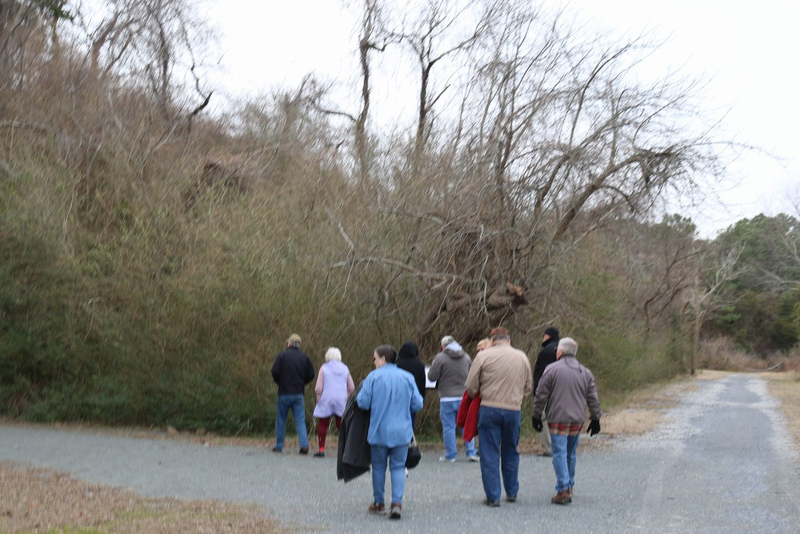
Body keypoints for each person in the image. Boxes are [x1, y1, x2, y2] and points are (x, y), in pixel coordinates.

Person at [465, 327, 532, 506]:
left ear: (492, 340)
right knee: (511, 450)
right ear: (509, 340)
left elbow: (471, 386)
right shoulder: (522, 357)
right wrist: (516, 397)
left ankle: (493, 496)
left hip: (489, 408)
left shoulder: (483, 356)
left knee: (489, 452)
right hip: (513, 409)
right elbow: (528, 387)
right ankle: (512, 491)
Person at [531, 337, 602, 505]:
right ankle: (569, 485)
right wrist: (595, 418)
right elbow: (593, 398)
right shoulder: (585, 372)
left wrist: (536, 414)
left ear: (561, 351)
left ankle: (562, 489)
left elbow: (541, 394)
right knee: (570, 453)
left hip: (558, 418)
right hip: (577, 419)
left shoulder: (552, 369)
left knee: (559, 453)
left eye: (557, 350)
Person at [356, 345, 423, 520]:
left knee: (378, 466)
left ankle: (379, 503)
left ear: (383, 359)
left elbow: (362, 402)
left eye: (375, 358)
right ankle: (397, 503)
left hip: (379, 430)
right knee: (398, 467)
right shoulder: (407, 377)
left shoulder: (373, 377)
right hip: (402, 431)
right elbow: (418, 404)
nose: (374, 361)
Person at [427, 335, 478, 462]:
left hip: (446, 397)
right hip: (464, 397)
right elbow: (472, 375)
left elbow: (432, 377)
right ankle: (471, 451)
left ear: (443, 346)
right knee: (466, 425)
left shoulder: (440, 358)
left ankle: (451, 454)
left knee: (449, 426)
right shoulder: (466, 357)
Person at [271, 333, 315, 454]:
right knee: (300, 420)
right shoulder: (305, 357)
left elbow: (274, 371)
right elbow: (311, 374)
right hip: (298, 393)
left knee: (281, 420)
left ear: (289, 343)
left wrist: (279, 381)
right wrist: (302, 382)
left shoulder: (282, 356)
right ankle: (304, 445)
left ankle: (279, 446)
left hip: (284, 392)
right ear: (299, 345)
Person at [312, 347, 355, 457]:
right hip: (341, 398)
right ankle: (346, 449)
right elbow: (351, 386)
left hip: (326, 397)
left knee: (323, 423)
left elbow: (318, 387)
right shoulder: (345, 368)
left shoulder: (324, 368)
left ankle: (321, 449)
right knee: (341, 423)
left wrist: (318, 397)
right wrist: (345, 395)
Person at [532, 326, 560, 456]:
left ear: (548, 336)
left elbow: (544, 372)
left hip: (546, 390)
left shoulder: (547, 350)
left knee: (543, 418)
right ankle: (558, 446)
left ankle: (547, 448)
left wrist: (538, 389)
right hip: (559, 390)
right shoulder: (561, 348)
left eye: (544, 335)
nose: (543, 337)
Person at [396, 341, 426, 432]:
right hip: (413, 396)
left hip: (398, 397)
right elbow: (422, 384)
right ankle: (410, 440)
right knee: (411, 419)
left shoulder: (397, 364)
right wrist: (421, 398)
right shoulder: (419, 365)